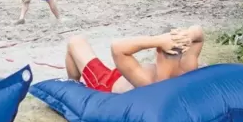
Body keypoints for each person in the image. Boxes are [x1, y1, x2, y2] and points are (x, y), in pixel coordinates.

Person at [65, 25, 204, 93]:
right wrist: (188, 35)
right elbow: (199, 35)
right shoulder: (188, 68)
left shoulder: (152, 83)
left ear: (158, 50)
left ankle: (73, 89)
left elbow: (117, 48)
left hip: (105, 83)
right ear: (184, 48)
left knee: (75, 41)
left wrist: (157, 40)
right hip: (123, 75)